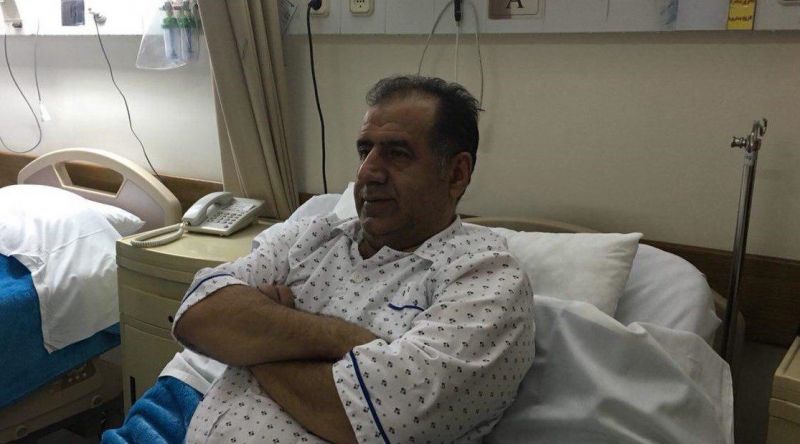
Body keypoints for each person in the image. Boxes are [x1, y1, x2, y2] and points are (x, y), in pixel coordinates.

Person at [173, 75, 534, 443]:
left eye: (397, 153)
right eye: (365, 151)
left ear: (456, 174)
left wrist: (253, 340)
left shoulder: (484, 278)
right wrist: (340, 338)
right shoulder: (310, 237)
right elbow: (197, 317)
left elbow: (368, 419)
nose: (367, 172)